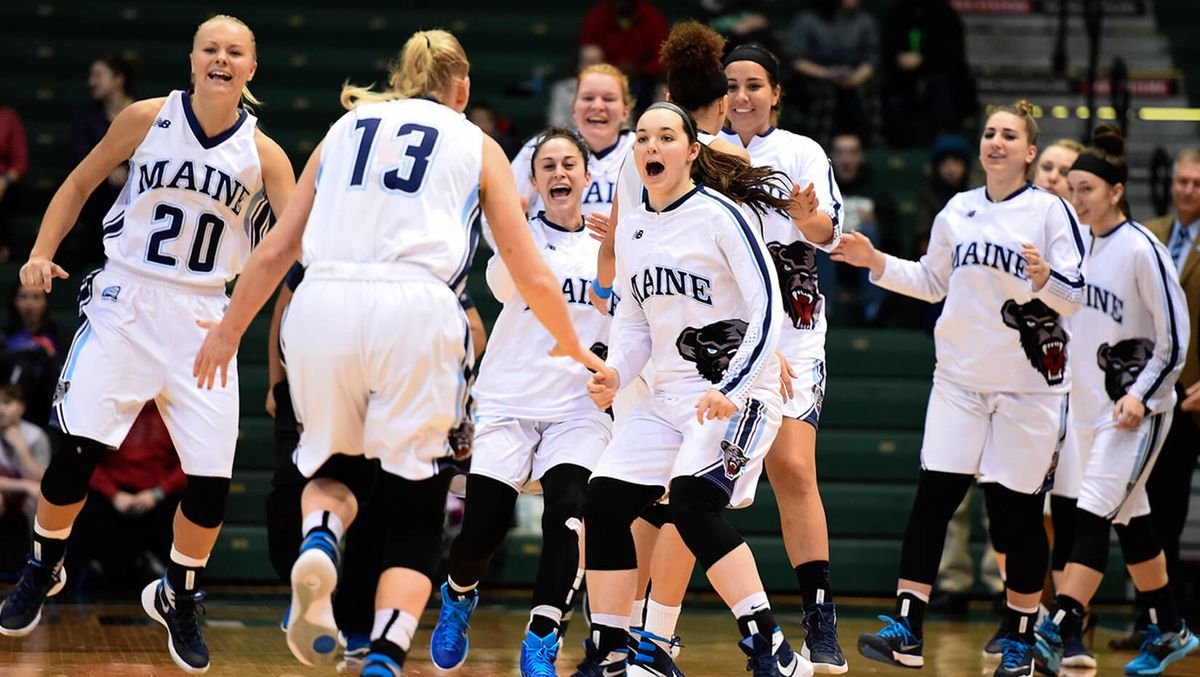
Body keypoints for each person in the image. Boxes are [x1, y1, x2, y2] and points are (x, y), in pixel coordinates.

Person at [192, 29, 604, 676]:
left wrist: (227, 328)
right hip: (416, 309)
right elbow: (531, 271)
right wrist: (579, 349)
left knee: (331, 469)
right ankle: (385, 655)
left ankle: (322, 535)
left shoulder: (346, 126)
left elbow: (275, 251)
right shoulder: (477, 142)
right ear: (461, 87)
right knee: (414, 514)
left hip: (321, 304)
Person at [0, 15, 295, 675]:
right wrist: (41, 252)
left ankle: (178, 593)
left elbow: (285, 248)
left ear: (253, 68)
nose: (222, 59)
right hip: (126, 301)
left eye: (235, 51)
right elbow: (78, 183)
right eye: (211, 48)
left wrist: (241, 323)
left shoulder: (266, 155)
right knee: (75, 454)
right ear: (193, 60)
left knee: (212, 483)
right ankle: (43, 565)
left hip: (203, 317)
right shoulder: (145, 117)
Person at [836, 100, 1085, 676]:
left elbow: (1075, 298)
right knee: (933, 502)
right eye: (990, 133)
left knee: (1014, 516)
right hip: (960, 382)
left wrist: (1048, 280)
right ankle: (907, 626)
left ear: (1029, 151)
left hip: (1028, 389)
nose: (996, 141)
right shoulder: (958, 209)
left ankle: (1022, 637)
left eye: (1010, 135)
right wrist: (876, 259)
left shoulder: (1049, 212)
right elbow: (930, 282)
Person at [580, 101, 807, 677]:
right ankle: (612, 651)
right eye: (644, 139)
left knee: (691, 503)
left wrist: (731, 386)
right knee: (603, 501)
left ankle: (768, 647)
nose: (651, 147)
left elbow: (769, 309)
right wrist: (616, 372)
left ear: (692, 151)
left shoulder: (720, 216)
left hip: (739, 394)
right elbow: (632, 322)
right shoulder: (632, 226)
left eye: (665, 137)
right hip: (668, 397)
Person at [430, 128, 612, 677]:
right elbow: (508, 285)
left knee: (568, 512)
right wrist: (518, 220)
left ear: (586, 176)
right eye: (547, 166)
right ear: (533, 182)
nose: (559, 173)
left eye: (568, 165)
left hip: (577, 409)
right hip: (509, 401)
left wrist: (621, 245)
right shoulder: (516, 244)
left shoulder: (613, 248)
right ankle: (459, 595)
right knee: (481, 532)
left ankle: (544, 631)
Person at [1030, 125, 1194, 676]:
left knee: (1091, 516)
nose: (1076, 198)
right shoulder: (1078, 245)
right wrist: (1044, 279)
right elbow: (1071, 315)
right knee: (1132, 519)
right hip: (1085, 410)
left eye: (1087, 189)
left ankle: (1059, 628)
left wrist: (1142, 397)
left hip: (1134, 413)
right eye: (1071, 188)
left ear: (1115, 192)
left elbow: (1176, 339)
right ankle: (1170, 626)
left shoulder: (1144, 248)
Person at [719, 42, 850, 674]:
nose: (742, 96)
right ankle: (649, 628)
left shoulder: (802, 153)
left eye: (753, 85)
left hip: (793, 326)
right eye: (732, 86)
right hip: (723, 330)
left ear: (775, 93)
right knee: (699, 481)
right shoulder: (698, 149)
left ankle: (820, 617)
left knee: (793, 469)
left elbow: (829, 235)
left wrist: (808, 217)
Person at [1140, 147, 1200, 638]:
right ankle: (1157, 624)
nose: (1187, 189)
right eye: (1182, 181)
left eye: (1197, 183)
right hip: (1166, 396)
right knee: (1159, 513)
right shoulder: (1151, 234)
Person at [71, 401, 185, 589]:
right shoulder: (108, 410)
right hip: (114, 490)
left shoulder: (173, 412)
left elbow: (187, 464)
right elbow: (86, 458)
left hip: (156, 492)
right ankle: (92, 565)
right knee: (81, 494)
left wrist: (158, 493)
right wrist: (113, 494)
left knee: (186, 501)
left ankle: (169, 571)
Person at [509, 63, 634, 227]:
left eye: (608, 99)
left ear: (625, 112)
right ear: (574, 109)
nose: (597, 106)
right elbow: (498, 216)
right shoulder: (540, 148)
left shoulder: (643, 150)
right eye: (588, 98)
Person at [62, 56, 138, 272]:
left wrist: (130, 171)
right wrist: (107, 170)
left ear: (118, 79)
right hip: (97, 193)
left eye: (98, 75)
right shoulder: (86, 116)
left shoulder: (142, 111)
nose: (91, 82)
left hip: (134, 190)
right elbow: (80, 154)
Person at [781, 0, 879, 147]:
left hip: (854, 78)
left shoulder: (864, 20)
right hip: (815, 77)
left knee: (867, 94)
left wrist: (855, 78)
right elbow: (796, 61)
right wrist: (827, 74)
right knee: (823, 95)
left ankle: (871, 148)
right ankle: (819, 148)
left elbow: (871, 59)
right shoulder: (807, 20)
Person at [880, 0, 976, 147]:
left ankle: (945, 142)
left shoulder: (946, 14)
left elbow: (954, 56)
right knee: (895, 100)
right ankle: (900, 149)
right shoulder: (896, 14)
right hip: (902, 80)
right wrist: (899, 59)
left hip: (939, 78)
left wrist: (923, 60)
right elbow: (887, 52)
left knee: (940, 87)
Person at [830, 131, 896, 325]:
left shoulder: (876, 189)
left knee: (869, 230)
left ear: (861, 156)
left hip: (865, 259)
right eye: (841, 152)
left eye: (852, 152)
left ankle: (873, 309)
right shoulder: (823, 187)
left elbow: (893, 237)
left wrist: (876, 222)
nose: (846, 159)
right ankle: (822, 307)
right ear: (832, 156)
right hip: (830, 258)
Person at [578, 0, 668, 109]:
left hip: (646, 81)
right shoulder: (596, 16)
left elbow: (662, 57)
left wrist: (641, 69)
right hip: (605, 77)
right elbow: (589, 54)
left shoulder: (652, 17)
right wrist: (614, 69)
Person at [0, 385, 50, 572]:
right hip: (5, 494)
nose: (1, 409)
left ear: (21, 407)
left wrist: (20, 449)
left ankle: (40, 566)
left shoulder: (35, 436)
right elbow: (30, 484)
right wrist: (24, 485)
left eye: (6, 402)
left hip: (26, 496)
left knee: (40, 499)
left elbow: (40, 480)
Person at [3, 286, 68, 428]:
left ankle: (60, 423)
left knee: (57, 364)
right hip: (19, 392)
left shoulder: (58, 333)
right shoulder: (6, 335)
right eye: (23, 297)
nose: (29, 303)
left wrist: (49, 354)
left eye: (36, 297)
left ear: (46, 302)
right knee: (21, 365)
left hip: (49, 393)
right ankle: (10, 424)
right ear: (14, 301)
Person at [0, 104, 28, 263]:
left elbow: (20, 163)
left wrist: (4, 180)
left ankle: (4, 250)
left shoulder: (7, 117)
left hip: (4, 184)